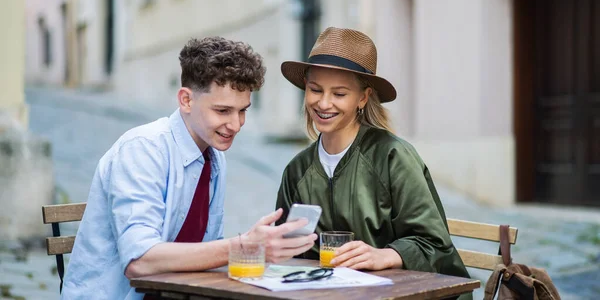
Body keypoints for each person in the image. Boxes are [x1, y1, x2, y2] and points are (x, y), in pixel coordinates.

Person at [62, 37, 317, 299]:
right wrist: (243, 247)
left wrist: (257, 253)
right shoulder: (142, 149)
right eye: (222, 111)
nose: (236, 124)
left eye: (242, 111)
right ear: (186, 100)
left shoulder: (214, 156)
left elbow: (205, 255)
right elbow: (139, 261)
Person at [275, 27, 472, 298]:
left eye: (339, 93)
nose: (323, 103)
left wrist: (387, 255)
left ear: (363, 97)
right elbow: (289, 255)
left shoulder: (393, 156)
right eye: (315, 89)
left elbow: (435, 244)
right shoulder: (297, 170)